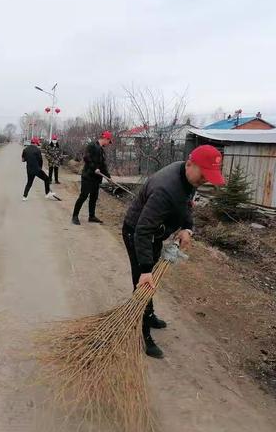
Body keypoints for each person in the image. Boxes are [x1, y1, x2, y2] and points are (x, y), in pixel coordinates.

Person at [122, 144, 225, 359]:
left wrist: (188, 228)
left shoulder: (188, 177)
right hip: (137, 233)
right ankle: (143, 334)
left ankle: (148, 315)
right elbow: (142, 230)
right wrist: (146, 269)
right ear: (190, 164)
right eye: (204, 174)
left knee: (149, 282)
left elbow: (186, 204)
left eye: (210, 175)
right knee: (142, 283)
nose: (205, 179)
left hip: (155, 233)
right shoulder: (165, 188)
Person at [72, 131, 113, 225]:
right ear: (106, 139)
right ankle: (75, 216)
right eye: (109, 141)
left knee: (94, 197)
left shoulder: (102, 150)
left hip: (96, 178)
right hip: (88, 176)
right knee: (83, 196)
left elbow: (103, 166)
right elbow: (86, 158)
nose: (108, 144)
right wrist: (94, 168)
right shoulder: (92, 145)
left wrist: (108, 177)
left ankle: (91, 216)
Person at [22, 136, 59, 201]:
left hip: (29, 169)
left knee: (29, 182)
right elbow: (40, 161)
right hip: (37, 169)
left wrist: (28, 159)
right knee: (47, 179)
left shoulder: (25, 150)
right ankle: (47, 193)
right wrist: (40, 169)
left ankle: (24, 196)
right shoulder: (37, 150)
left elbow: (23, 160)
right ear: (36, 143)